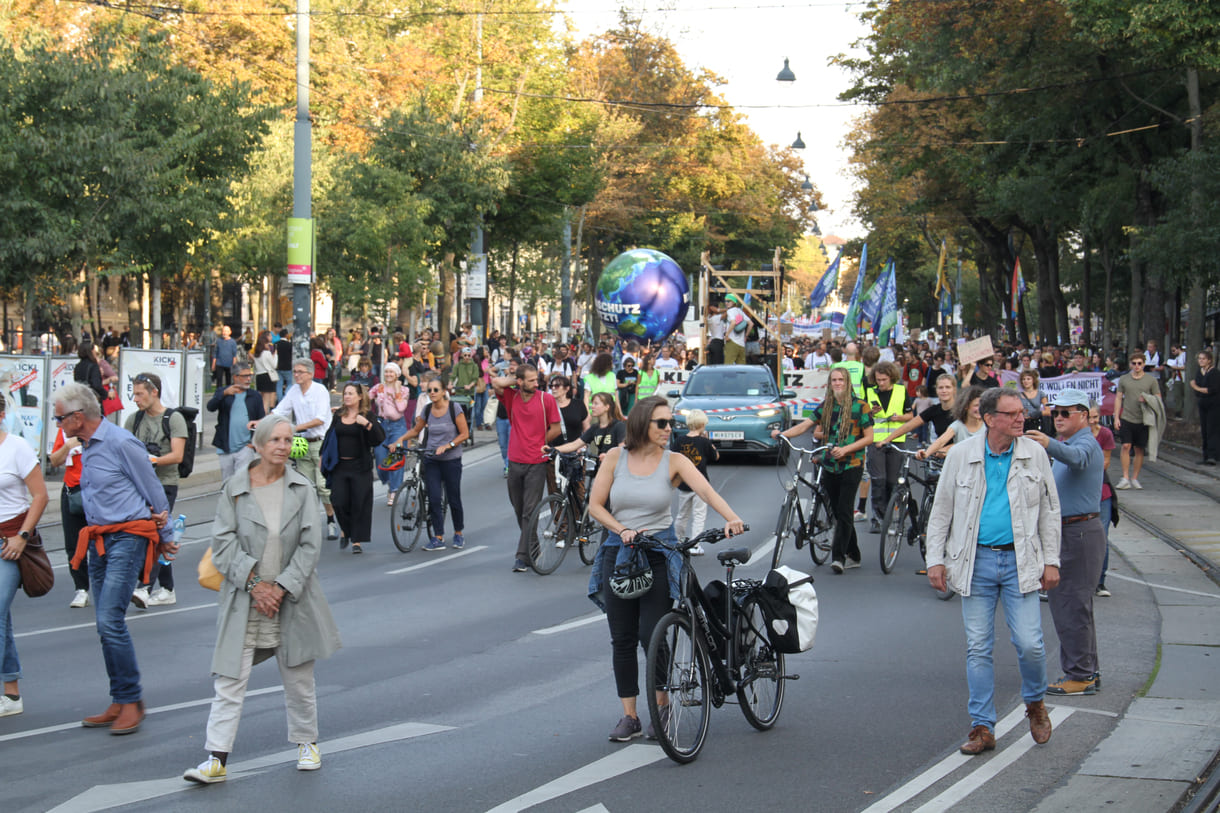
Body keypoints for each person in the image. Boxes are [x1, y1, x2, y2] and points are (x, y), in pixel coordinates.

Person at [182, 414, 341, 784]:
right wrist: (256, 586)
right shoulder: (235, 488)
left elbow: (309, 545)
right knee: (229, 679)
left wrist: (281, 588)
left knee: (299, 678)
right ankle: (215, 758)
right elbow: (222, 544)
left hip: (292, 599)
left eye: (288, 440)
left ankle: (307, 743)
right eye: (277, 440)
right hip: (245, 599)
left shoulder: (301, 488)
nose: (284, 447)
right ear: (259, 444)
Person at [587, 395, 744, 741]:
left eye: (671, 422)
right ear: (643, 424)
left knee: (651, 633)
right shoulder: (616, 457)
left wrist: (732, 517)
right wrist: (622, 530)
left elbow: (705, 490)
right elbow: (595, 506)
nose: (669, 429)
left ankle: (662, 706)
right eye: (663, 423)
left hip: (659, 553)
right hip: (620, 552)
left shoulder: (673, 460)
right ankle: (630, 716)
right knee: (622, 639)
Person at [924, 387, 1060, 756]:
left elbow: (1049, 510)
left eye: (1022, 413)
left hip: (1021, 562)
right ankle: (982, 726)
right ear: (989, 419)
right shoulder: (962, 455)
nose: (1022, 419)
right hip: (976, 562)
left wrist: (1052, 560)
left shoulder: (1035, 455)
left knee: (1030, 644)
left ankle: (1034, 702)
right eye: (1013, 414)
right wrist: (935, 560)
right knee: (978, 647)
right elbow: (942, 512)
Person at [59, 382, 176, 735]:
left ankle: (132, 701)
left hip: (128, 537)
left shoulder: (121, 442)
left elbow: (153, 489)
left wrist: (167, 537)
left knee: (110, 619)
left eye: (60, 417)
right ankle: (120, 697)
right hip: (99, 541)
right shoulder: (87, 446)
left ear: (79, 418)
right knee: (103, 623)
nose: (58, 423)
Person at [1026, 388, 1106, 696]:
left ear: (1083, 416)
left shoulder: (1085, 443)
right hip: (1072, 532)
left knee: (1070, 605)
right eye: (1055, 412)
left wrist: (1049, 444)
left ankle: (1080, 674)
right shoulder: (1071, 443)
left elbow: (1077, 459)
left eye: (1065, 412)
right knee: (1075, 606)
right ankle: (1086, 670)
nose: (1058, 418)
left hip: (1078, 533)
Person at [774, 366, 874, 572]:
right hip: (830, 465)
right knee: (837, 512)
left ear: (847, 383)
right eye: (834, 380)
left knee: (845, 510)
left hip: (851, 464)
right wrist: (783, 434)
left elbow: (869, 437)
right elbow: (805, 425)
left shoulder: (860, 406)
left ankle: (838, 558)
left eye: (841, 380)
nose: (837, 383)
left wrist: (846, 449)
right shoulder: (826, 406)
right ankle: (853, 553)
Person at [0, 395, 49, 718]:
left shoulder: (16, 448)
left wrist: (22, 536)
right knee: (2, 619)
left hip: (11, 543)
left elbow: (41, 495)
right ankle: (12, 693)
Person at [125, 372, 190, 609]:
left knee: (154, 531)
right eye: (134, 393)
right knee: (160, 535)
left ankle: (144, 588)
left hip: (164, 484)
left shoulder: (173, 419)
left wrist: (151, 460)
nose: (135, 398)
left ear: (154, 392)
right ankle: (168, 588)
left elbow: (177, 455)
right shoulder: (134, 420)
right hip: (139, 486)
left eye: (140, 393)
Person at [492, 364, 561, 573]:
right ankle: (533, 548)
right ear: (520, 382)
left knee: (529, 510)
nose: (536, 383)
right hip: (514, 459)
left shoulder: (545, 399)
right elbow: (496, 382)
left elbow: (556, 428)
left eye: (536, 379)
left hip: (537, 462)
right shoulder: (511, 396)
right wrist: (516, 380)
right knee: (518, 508)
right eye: (531, 380)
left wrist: (542, 442)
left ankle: (521, 557)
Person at [392, 377, 469, 551]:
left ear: (443, 392)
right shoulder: (427, 410)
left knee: (453, 497)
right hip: (432, 459)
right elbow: (416, 430)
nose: (432, 393)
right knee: (433, 498)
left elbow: (464, 434)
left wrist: (448, 446)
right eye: (430, 390)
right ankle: (438, 537)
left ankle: (458, 533)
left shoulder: (453, 408)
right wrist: (400, 439)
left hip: (451, 460)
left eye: (436, 390)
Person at [274, 359, 340, 540]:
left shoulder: (320, 391)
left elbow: (320, 419)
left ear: (310, 374)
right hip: (301, 443)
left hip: (320, 442)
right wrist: (263, 422)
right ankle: (307, 523)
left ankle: (331, 519)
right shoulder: (293, 391)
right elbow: (280, 411)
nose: (296, 375)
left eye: (300, 372)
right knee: (304, 486)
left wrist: (294, 428)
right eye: (295, 371)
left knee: (322, 485)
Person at [321, 384, 384, 554]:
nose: (347, 396)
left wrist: (368, 425)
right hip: (340, 466)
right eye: (345, 393)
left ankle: (356, 540)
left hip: (359, 467)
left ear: (359, 397)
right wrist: (322, 458)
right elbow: (329, 438)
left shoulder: (367, 416)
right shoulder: (339, 415)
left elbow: (378, 439)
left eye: (350, 393)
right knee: (338, 501)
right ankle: (346, 529)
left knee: (359, 503)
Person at [865, 361, 913, 532]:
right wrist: (871, 413)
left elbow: (910, 416)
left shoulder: (901, 391)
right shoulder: (870, 392)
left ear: (891, 377)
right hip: (875, 440)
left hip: (896, 440)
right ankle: (878, 518)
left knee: (893, 481)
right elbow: (863, 417)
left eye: (884, 379)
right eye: (878, 380)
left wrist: (898, 418)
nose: (881, 383)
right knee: (879, 480)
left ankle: (890, 514)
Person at [50, 424, 91, 608]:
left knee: (104, 541)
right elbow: (54, 460)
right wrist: (68, 446)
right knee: (73, 544)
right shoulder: (66, 430)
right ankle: (81, 588)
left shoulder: (99, 429)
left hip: (97, 491)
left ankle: (108, 584)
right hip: (72, 491)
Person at [207, 360, 265, 481]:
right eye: (245, 376)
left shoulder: (254, 396)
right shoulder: (223, 392)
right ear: (235, 377)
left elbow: (261, 420)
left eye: (250, 375)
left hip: (245, 446)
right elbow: (210, 407)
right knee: (227, 482)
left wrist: (253, 444)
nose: (248, 379)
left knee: (242, 482)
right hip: (225, 446)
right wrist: (223, 394)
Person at [1113, 352, 1164, 489]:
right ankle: (1125, 477)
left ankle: (1135, 477)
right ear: (1130, 364)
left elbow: (1158, 398)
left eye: (1139, 363)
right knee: (1125, 446)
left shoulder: (1151, 380)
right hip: (1127, 417)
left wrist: (1147, 398)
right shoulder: (1124, 379)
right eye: (1134, 363)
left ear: (1144, 364)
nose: (1137, 366)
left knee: (1139, 449)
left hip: (1143, 419)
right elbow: (1118, 398)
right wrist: (1116, 416)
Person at [672, 409, 718, 556]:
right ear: (703, 424)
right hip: (701, 484)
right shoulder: (704, 442)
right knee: (699, 515)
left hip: (684, 484)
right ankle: (695, 544)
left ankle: (677, 541)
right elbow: (715, 456)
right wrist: (710, 443)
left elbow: (672, 457)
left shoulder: (679, 441)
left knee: (682, 514)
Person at [877, 374, 957, 448]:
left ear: (954, 389)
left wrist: (945, 449)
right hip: (941, 455)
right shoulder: (934, 410)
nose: (944, 390)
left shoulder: (962, 410)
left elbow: (967, 440)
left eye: (948, 387)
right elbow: (909, 426)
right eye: (940, 388)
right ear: (936, 390)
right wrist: (886, 440)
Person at [370, 363, 411, 505]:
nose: (388, 374)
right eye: (386, 372)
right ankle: (389, 481)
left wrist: (397, 390)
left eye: (391, 372)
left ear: (397, 374)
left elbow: (401, 408)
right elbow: (366, 397)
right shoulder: (379, 388)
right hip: (381, 424)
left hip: (397, 426)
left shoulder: (404, 390)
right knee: (380, 456)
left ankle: (394, 490)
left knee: (396, 457)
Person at [1089, 403, 1117, 597]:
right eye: (1088, 418)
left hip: (1101, 491)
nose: (1092, 421)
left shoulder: (1105, 434)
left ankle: (1100, 581)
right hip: (1082, 494)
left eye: (1095, 417)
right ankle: (1085, 578)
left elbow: (1105, 462)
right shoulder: (1071, 434)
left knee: (1102, 536)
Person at [923, 386, 986, 459]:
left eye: (983, 405)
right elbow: (941, 441)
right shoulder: (958, 425)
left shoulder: (988, 426)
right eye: (976, 405)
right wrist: (926, 453)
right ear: (966, 406)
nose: (980, 408)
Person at [1190, 349, 1220, 465]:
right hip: (1203, 404)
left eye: (1203, 359)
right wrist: (1199, 390)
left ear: (1209, 360)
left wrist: (1197, 388)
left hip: (1214, 405)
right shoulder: (1200, 372)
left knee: (1212, 429)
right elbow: (1199, 391)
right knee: (1204, 430)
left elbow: (1212, 390)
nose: (1201, 361)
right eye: (1199, 359)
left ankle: (1213, 455)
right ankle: (1206, 455)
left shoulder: (1214, 373)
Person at [253, 330, 278, 413]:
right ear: (264, 344)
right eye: (267, 343)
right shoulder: (267, 353)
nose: (269, 345)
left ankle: (260, 414)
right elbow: (274, 365)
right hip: (267, 376)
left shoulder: (257, 354)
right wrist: (275, 355)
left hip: (259, 376)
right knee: (266, 400)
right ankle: (264, 417)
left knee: (261, 398)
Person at [212, 325, 238, 390]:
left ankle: (228, 393)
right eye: (223, 331)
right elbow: (215, 353)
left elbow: (234, 355)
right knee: (219, 380)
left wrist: (233, 365)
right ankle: (219, 394)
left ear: (230, 332)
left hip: (229, 364)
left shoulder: (233, 342)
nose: (224, 333)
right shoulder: (218, 341)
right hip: (219, 363)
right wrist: (213, 364)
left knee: (228, 380)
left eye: (226, 331)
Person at [275, 328, 294, 401]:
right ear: (286, 335)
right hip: (288, 367)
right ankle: (286, 396)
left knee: (279, 385)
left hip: (278, 366)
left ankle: (280, 400)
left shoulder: (276, 344)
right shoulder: (289, 345)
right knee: (290, 383)